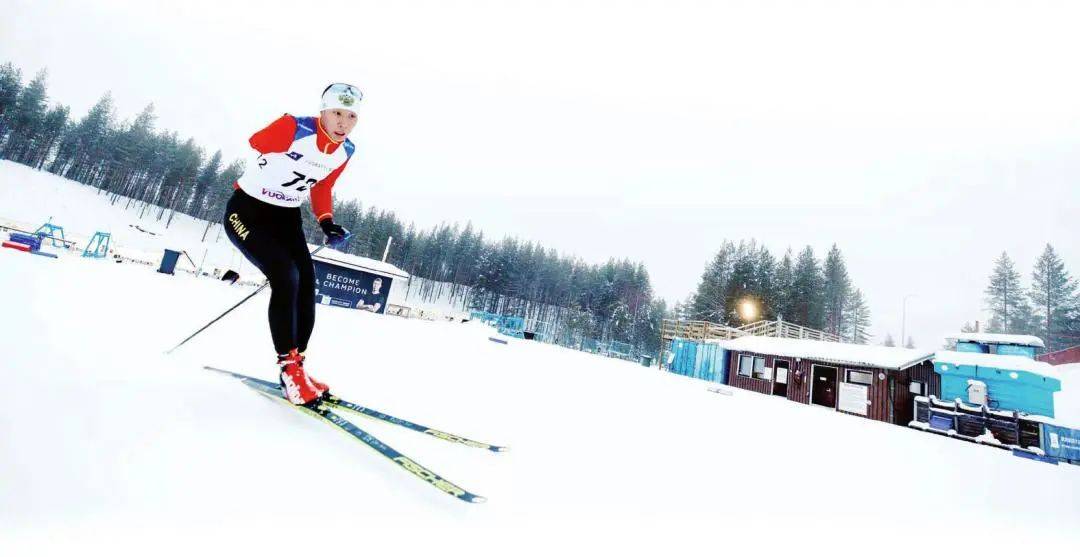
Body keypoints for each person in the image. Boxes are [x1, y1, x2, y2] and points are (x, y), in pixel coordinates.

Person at [223, 83, 361, 405]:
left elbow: (322, 185)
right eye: (336, 113)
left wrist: (327, 222)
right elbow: (256, 142)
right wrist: (285, 126)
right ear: (322, 113)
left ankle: (297, 365)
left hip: (287, 218)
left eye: (350, 116)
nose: (343, 122)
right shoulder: (296, 128)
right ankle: (288, 369)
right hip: (247, 211)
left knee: (306, 282)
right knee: (285, 276)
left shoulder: (346, 151)